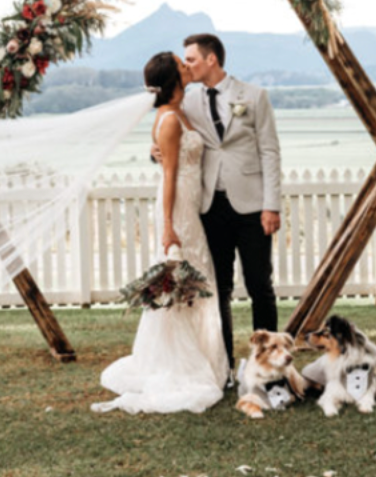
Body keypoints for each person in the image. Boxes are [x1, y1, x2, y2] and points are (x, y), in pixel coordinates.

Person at [91, 52, 230, 414]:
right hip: (178, 207)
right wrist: (169, 225)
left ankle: (203, 358)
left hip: (189, 204)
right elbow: (169, 174)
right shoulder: (169, 119)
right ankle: (178, 366)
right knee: (186, 283)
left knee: (199, 285)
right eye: (182, 65)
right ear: (173, 78)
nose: (187, 67)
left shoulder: (182, 110)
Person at [181, 33, 282, 374]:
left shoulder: (253, 96)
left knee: (259, 285)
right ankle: (223, 365)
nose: (187, 65)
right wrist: (156, 154)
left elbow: (270, 151)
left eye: (191, 59)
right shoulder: (189, 102)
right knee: (218, 288)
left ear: (212, 59)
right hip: (210, 206)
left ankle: (267, 364)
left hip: (253, 206)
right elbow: (179, 142)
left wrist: (272, 205)